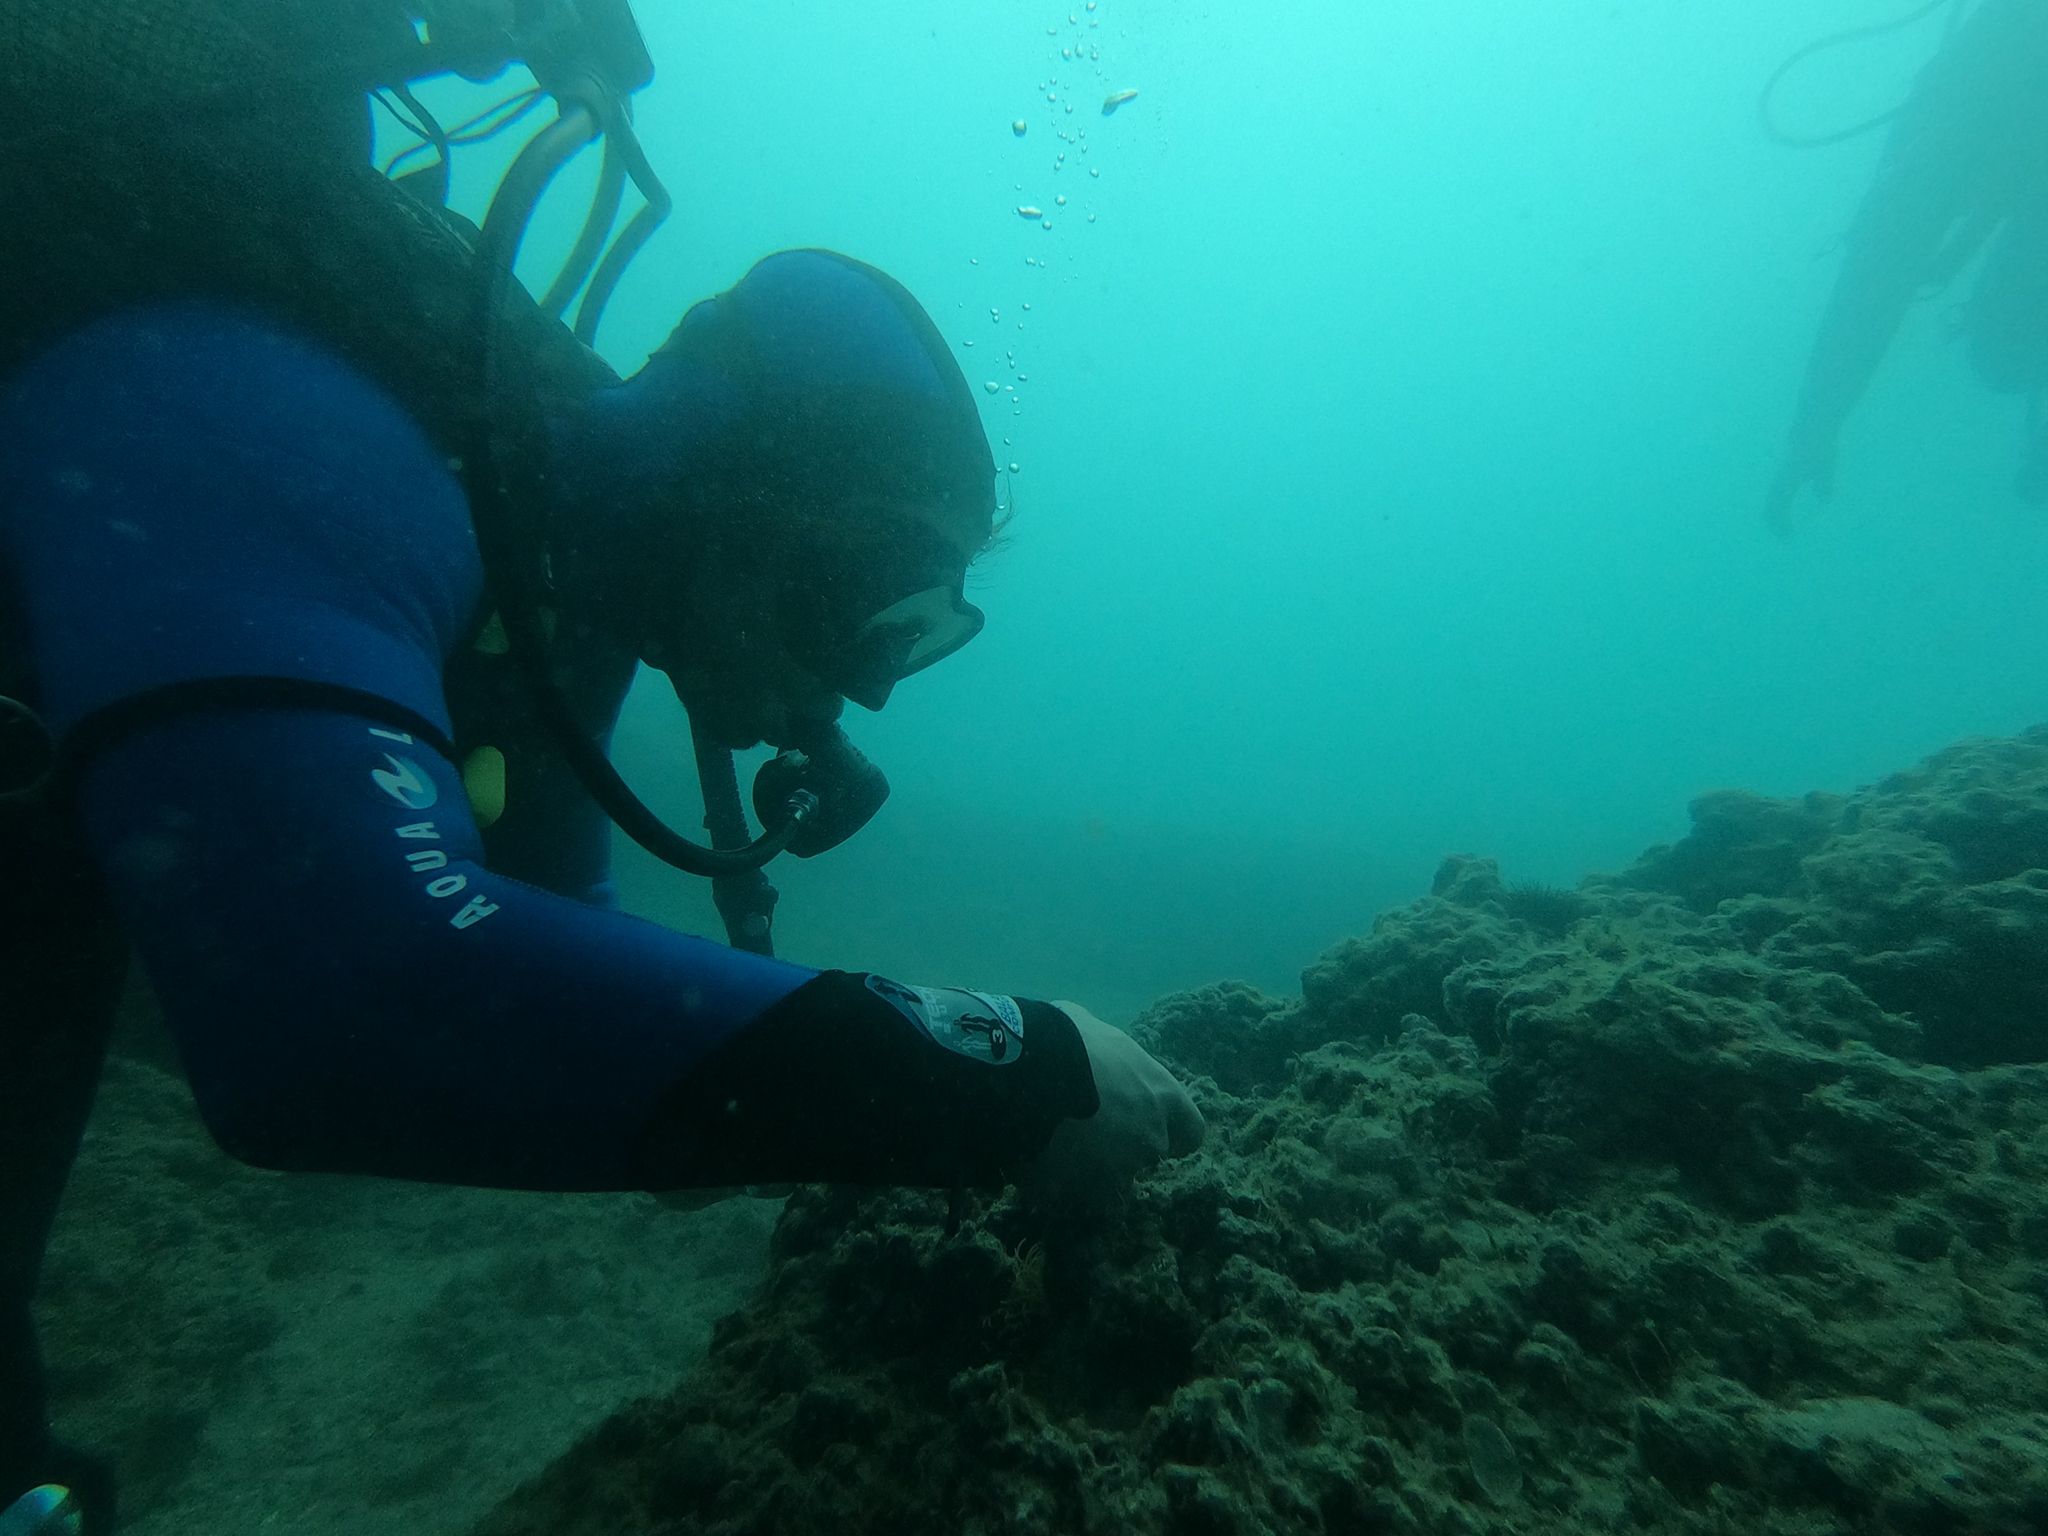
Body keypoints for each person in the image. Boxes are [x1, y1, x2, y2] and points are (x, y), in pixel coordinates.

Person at [0, 10, 1204, 1536]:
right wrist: (1001, 1068)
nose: (875, 679)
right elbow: (345, 1004)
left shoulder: (555, 593)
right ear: (736, 492)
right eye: (878, 595)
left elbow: (548, 937)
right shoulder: (298, 431)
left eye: (930, 628)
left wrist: (740, 1086)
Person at [1765, 0, 2048, 529]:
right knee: (2004, 360)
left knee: (2005, 358)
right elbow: (1879, 274)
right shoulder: (1981, 87)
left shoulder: (1982, 87)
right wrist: (1817, 425)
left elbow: (1879, 275)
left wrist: (1817, 425)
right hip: (1987, 114)